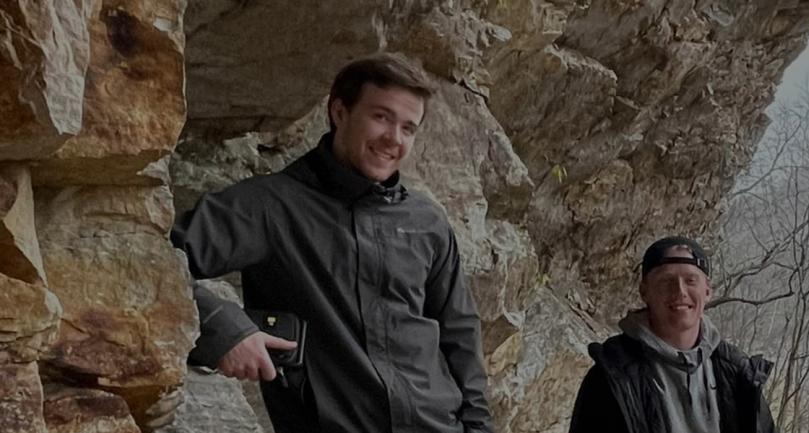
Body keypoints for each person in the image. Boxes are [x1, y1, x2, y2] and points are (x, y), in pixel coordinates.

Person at [170, 53, 492, 433]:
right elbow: (153, 258)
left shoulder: (427, 221)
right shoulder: (268, 206)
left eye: (408, 128)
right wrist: (223, 328)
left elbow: (460, 335)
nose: (394, 138)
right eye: (381, 117)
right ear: (340, 112)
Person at [569, 236, 777, 433]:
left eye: (691, 281)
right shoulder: (614, 376)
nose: (680, 291)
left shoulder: (738, 373)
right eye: (666, 281)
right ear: (644, 292)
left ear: (707, 291)